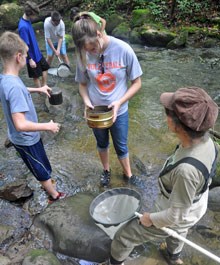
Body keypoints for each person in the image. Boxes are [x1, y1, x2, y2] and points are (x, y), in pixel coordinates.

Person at [109, 87, 219, 265]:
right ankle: (173, 256)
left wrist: (149, 218)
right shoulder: (209, 142)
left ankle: (115, 262)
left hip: (179, 213)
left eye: (167, 113)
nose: (165, 116)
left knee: (125, 236)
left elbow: (175, 216)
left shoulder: (186, 171)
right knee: (179, 231)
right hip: (196, 206)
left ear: (177, 125)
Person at [71, 15, 142, 187]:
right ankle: (106, 171)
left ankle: (129, 175)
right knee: (101, 143)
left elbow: (137, 83)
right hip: (96, 112)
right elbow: (82, 84)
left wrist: (119, 103)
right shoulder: (83, 53)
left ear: (98, 33)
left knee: (121, 146)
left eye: (93, 47)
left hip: (120, 110)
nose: (91, 52)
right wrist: (86, 101)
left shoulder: (123, 49)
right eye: (87, 50)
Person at [0, 31, 66, 204]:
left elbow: (18, 92)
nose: (27, 58)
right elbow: (20, 124)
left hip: (22, 137)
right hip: (25, 138)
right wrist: (48, 126)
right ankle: (54, 195)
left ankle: (48, 185)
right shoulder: (13, 86)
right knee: (40, 167)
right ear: (18, 57)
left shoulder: (6, 78)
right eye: (26, 54)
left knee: (41, 162)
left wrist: (38, 89)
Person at [18, 1, 50, 88]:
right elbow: (23, 45)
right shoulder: (23, 27)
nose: (35, 17)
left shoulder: (27, 21)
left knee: (45, 67)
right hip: (31, 56)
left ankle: (44, 85)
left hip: (37, 53)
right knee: (36, 77)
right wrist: (30, 59)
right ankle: (40, 92)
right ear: (30, 13)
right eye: (35, 14)